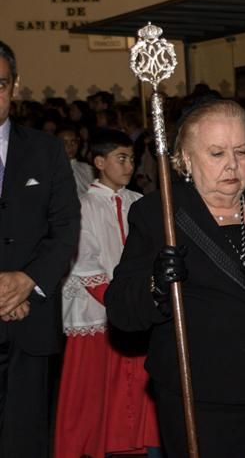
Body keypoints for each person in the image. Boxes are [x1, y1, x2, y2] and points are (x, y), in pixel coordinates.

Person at [105, 99, 245, 457]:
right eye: (216, 153)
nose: (232, 164)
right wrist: (156, 284)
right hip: (202, 394)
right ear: (185, 159)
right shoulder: (158, 213)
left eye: (241, 151)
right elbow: (121, 309)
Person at [55, 128, 160, 458]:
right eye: (121, 158)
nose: (129, 165)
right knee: (92, 390)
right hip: (99, 310)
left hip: (136, 306)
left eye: (131, 157)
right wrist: (119, 301)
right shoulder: (83, 206)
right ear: (99, 162)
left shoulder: (139, 202)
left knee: (136, 383)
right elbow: (84, 259)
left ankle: (132, 442)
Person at [0, 40, 81, 456]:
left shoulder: (46, 150)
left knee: (26, 438)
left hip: (30, 320)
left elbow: (66, 227)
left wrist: (27, 281)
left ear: (15, 86)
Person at [57, 124, 94, 196]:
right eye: (65, 142)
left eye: (73, 141)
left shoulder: (87, 168)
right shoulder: (50, 169)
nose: (70, 146)